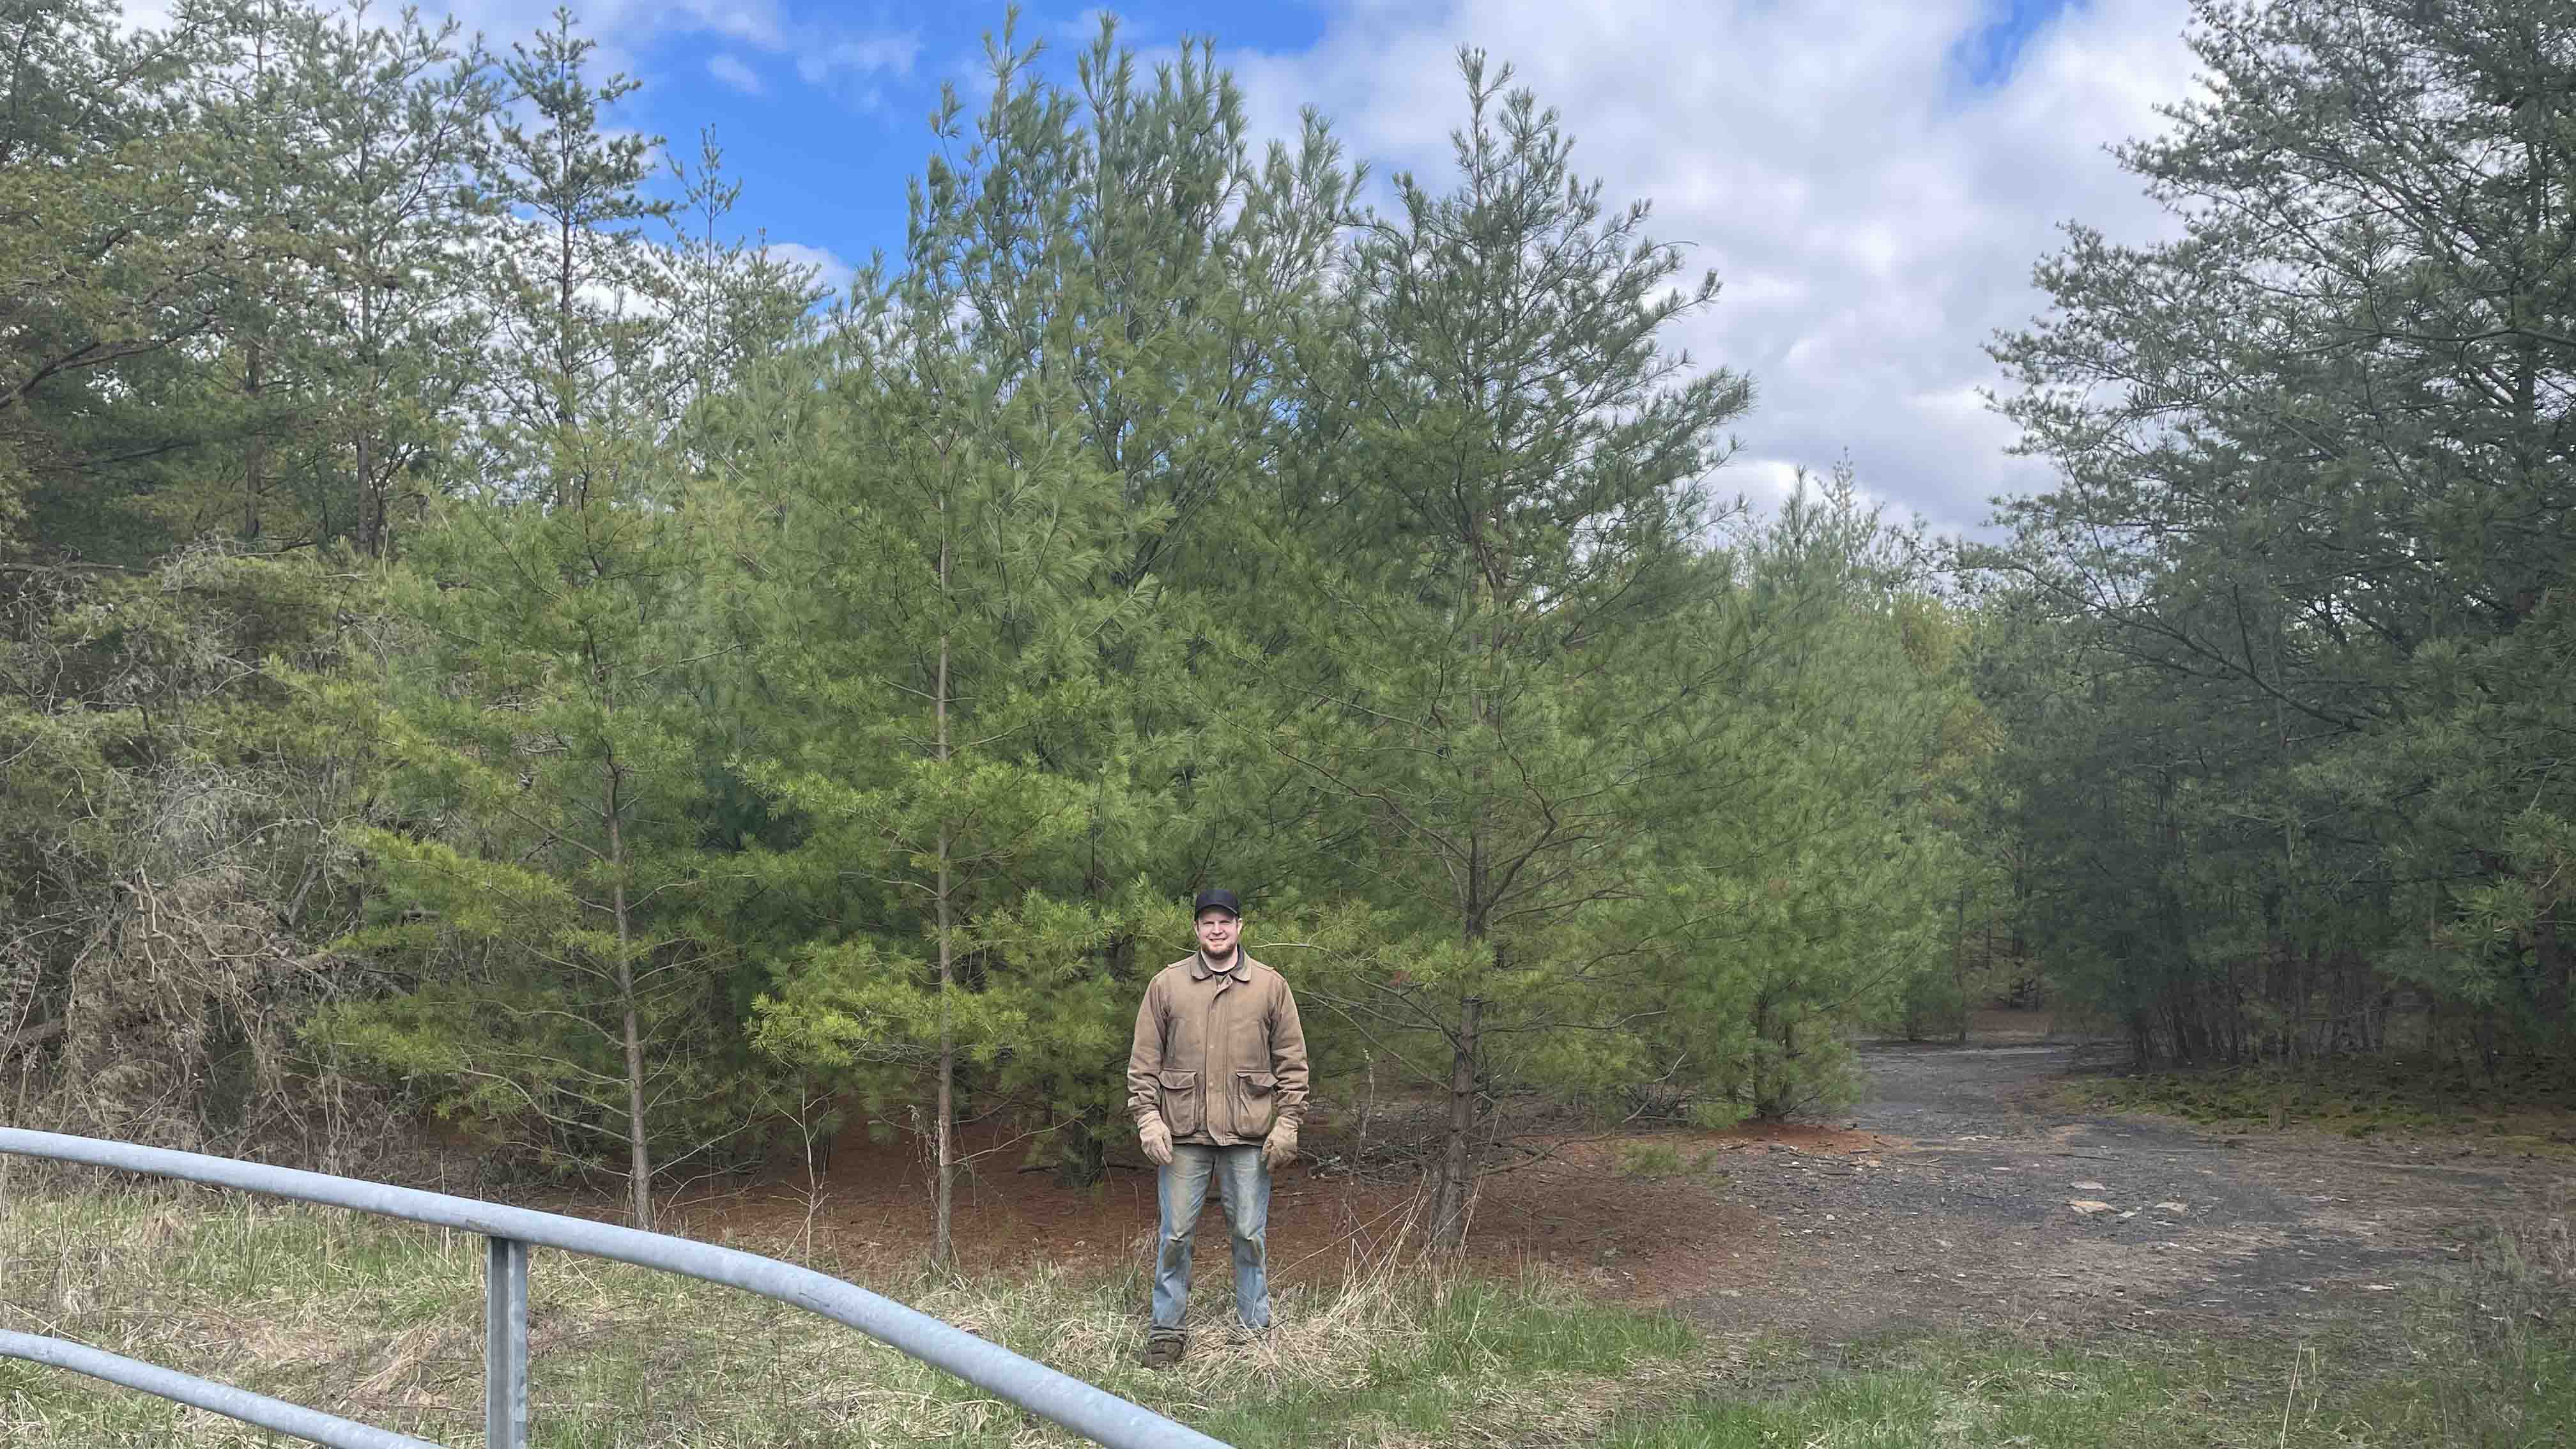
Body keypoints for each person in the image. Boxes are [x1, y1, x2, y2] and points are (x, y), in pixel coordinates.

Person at [1125, 887, 1308, 1368]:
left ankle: (1254, 1332)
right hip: (1183, 1136)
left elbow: (1293, 1062)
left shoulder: (1270, 986)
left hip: (1249, 1138)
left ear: (1239, 927)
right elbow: (1143, 1062)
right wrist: (1148, 1119)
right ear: (1197, 930)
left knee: (1249, 1235)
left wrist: (1287, 1123)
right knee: (1176, 1236)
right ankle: (1166, 1331)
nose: (1217, 930)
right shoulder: (1167, 985)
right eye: (1207, 922)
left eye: (1225, 921)